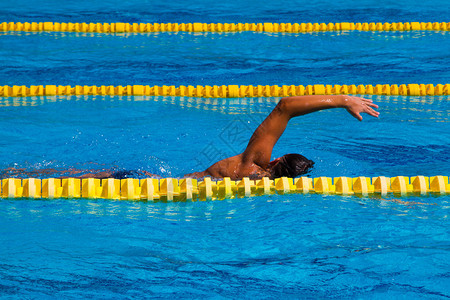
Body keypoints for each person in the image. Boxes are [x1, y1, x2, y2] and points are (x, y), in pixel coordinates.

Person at [1, 95, 379, 180]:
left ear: (278, 161)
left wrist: (341, 100)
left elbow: (283, 107)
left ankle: (19, 173)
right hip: (168, 193)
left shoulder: (254, 163)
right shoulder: (264, 179)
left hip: (163, 186)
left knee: (101, 177)